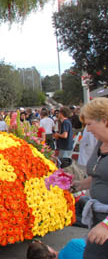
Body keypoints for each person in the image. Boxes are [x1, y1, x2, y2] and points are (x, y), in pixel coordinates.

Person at [71, 98, 108, 258]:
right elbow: (98, 176)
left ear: (105, 120)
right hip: (98, 218)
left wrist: (106, 225)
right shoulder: (101, 144)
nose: (87, 129)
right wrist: (77, 185)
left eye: (90, 124)